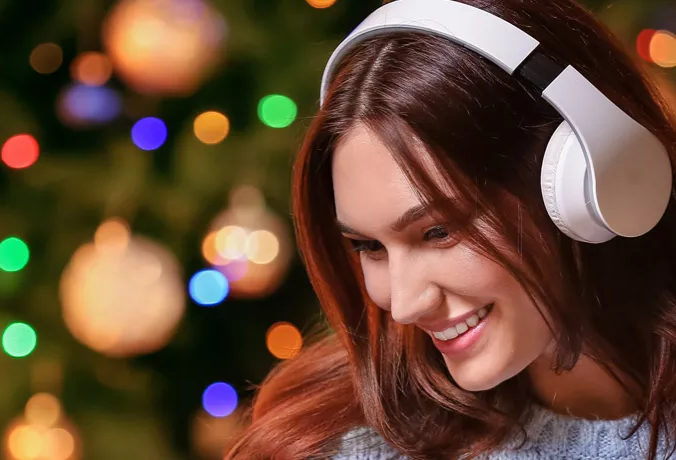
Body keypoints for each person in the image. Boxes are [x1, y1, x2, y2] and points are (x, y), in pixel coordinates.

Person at [224, 0, 676, 459]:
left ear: (586, 182)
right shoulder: (343, 448)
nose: (403, 305)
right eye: (369, 246)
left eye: (437, 232)